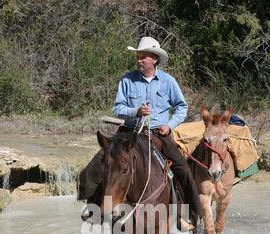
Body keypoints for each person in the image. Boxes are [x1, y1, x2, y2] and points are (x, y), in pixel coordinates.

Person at [78, 37, 204, 224]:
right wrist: (135, 112)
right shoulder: (127, 80)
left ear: (154, 59)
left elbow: (181, 107)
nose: (139, 60)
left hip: (157, 134)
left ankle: (191, 216)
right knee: (98, 162)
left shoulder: (168, 81)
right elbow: (117, 108)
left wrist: (170, 125)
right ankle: (94, 208)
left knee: (183, 169)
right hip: (129, 132)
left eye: (143, 57)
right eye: (138, 56)